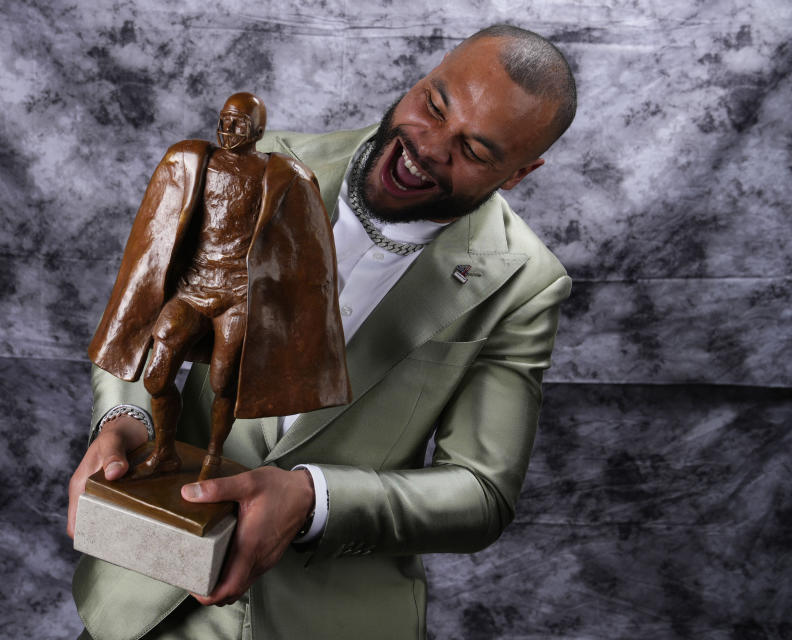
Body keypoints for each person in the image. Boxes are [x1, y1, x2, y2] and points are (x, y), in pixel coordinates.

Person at [68, 24, 577, 640]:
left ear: (520, 173)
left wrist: (313, 500)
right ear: (422, 78)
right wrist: (128, 420)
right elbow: (142, 304)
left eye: (474, 151)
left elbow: (481, 492)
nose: (428, 147)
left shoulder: (526, 282)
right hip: (144, 601)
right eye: (433, 106)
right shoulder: (262, 161)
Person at [86, 91, 350, 483]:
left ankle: (212, 457)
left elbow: (309, 253)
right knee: (157, 376)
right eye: (225, 120)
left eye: (239, 123)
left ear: (259, 130)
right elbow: (154, 231)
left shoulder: (281, 175)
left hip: (239, 297)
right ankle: (165, 452)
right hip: (194, 288)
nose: (228, 129)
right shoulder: (193, 161)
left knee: (224, 382)